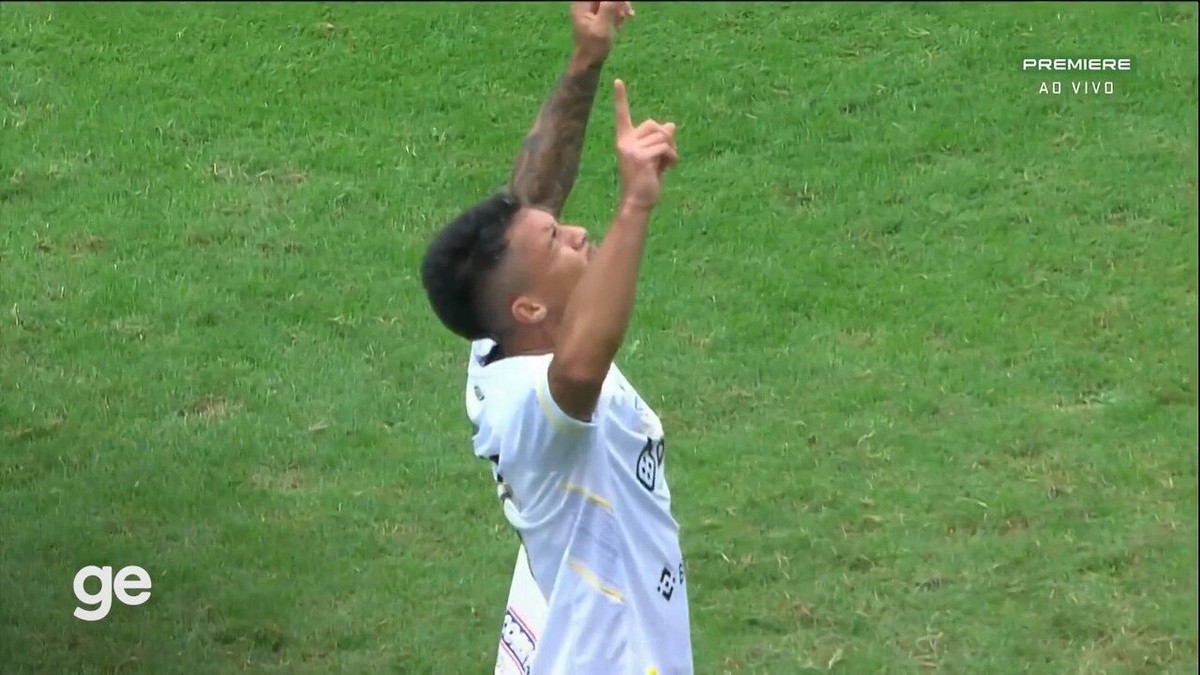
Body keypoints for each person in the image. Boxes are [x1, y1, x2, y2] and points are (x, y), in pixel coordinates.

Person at [419, 3, 692, 673]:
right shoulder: (534, 408)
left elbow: (531, 201)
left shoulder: (502, 338)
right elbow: (579, 372)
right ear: (530, 303)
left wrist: (585, 60)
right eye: (558, 240)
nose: (575, 231)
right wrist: (634, 205)